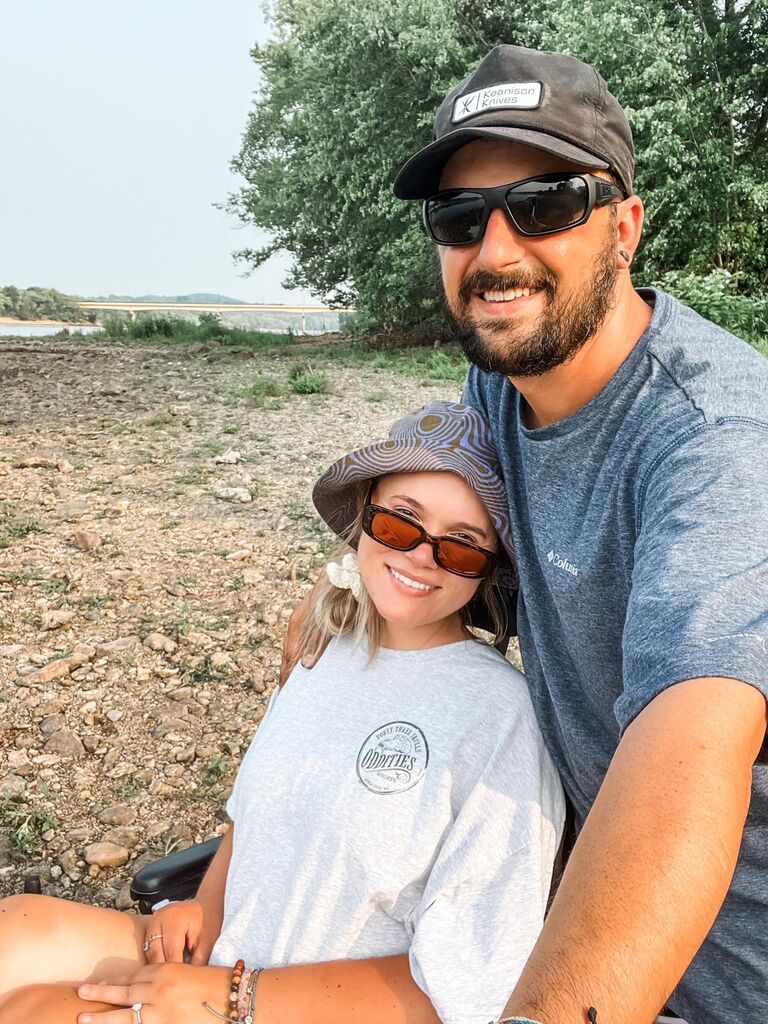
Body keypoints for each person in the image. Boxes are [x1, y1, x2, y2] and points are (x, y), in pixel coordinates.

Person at [283, 44, 768, 1024]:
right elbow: (441, 497)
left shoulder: (719, 443)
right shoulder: (501, 382)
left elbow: (690, 745)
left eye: (544, 206)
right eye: (462, 218)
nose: (496, 253)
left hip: (710, 981)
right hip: (537, 891)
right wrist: (337, 584)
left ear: (625, 227)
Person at [0, 401, 564, 1024]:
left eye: (462, 546)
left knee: (32, 1010)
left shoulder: (500, 717)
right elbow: (255, 815)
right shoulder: (326, 650)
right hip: (235, 948)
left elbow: (465, 986)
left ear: (487, 572)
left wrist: (232, 998)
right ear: (366, 518)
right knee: (17, 927)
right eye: (402, 525)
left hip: (310, 1001)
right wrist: (208, 907)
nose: (423, 556)